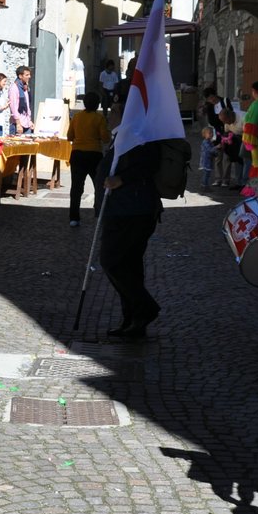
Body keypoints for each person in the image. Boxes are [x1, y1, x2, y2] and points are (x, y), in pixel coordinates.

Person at [99, 139, 162, 339]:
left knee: (111, 261)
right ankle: (133, 320)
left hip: (130, 211)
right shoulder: (124, 135)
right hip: (125, 210)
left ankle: (144, 308)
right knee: (130, 266)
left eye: (115, 111)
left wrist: (121, 179)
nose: (109, 116)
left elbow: (149, 164)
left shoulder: (138, 136)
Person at [65, 92, 109, 226]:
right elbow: (105, 138)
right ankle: (98, 212)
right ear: (97, 104)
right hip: (94, 154)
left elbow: (69, 136)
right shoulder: (99, 118)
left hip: (77, 154)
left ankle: (74, 217)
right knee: (99, 185)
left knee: (76, 187)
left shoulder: (77, 117)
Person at [8, 65, 34, 135]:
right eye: (27, 75)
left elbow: (27, 106)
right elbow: (13, 107)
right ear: (20, 76)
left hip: (26, 123)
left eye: (29, 74)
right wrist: (18, 124)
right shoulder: (14, 88)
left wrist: (29, 120)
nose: (29, 76)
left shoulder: (25, 87)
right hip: (17, 124)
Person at [198, 125, 218, 190]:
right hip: (206, 162)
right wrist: (217, 147)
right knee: (206, 175)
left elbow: (212, 151)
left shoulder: (210, 142)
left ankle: (206, 186)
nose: (211, 134)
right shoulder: (205, 142)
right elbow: (210, 150)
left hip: (209, 161)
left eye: (212, 133)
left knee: (208, 175)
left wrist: (216, 153)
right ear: (204, 134)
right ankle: (204, 186)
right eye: (209, 133)